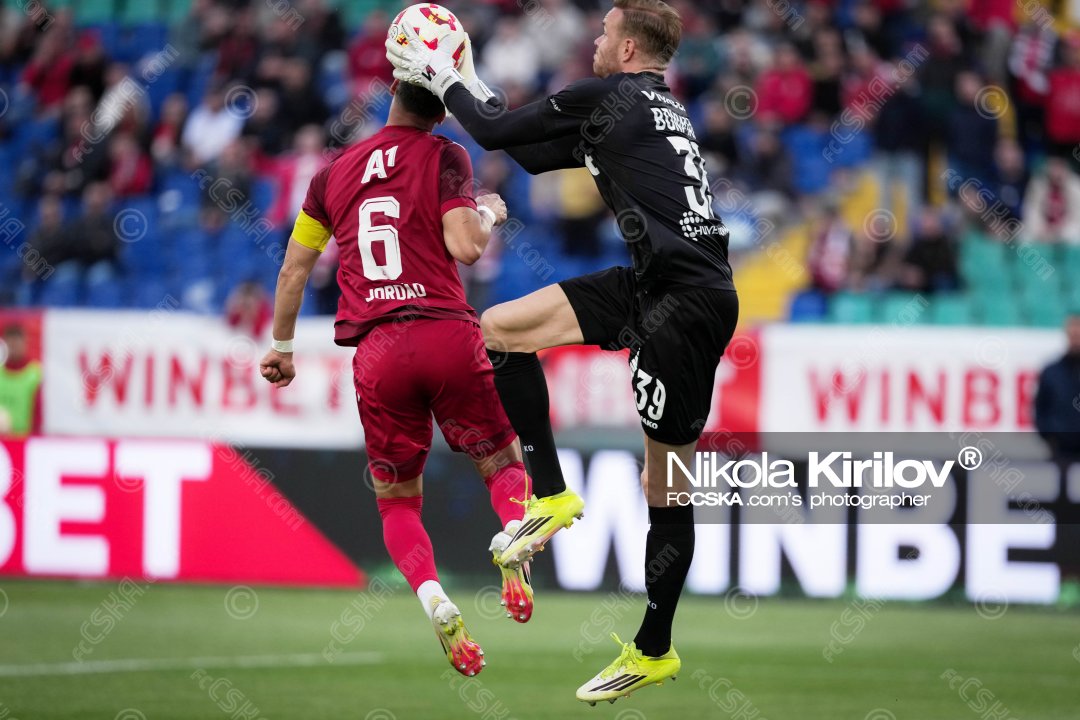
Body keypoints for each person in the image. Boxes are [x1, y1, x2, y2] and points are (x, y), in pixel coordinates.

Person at [387, 0, 739, 703]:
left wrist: (443, 74)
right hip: (654, 285)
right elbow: (525, 148)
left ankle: (654, 648)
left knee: (666, 485)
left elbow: (492, 132)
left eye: (606, 32)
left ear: (630, 48)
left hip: (685, 303)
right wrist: (471, 81)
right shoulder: (652, 106)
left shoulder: (611, 95)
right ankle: (549, 493)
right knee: (499, 328)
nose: (596, 40)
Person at [257, 80, 533, 678]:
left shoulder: (331, 174)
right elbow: (467, 247)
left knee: (398, 502)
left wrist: (282, 347)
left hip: (378, 351)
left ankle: (435, 600)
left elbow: (293, 270)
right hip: (445, 332)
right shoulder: (445, 154)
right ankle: (514, 532)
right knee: (502, 463)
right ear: (444, 106)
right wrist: (489, 210)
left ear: (394, 95)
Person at [1034, 312, 1080, 462]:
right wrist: (1050, 438)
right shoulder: (1052, 372)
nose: (1076, 339)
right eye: (1073, 334)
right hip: (1060, 451)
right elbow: (1040, 408)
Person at [0, 324, 42, 437]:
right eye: (10, 343)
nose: (13, 346)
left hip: (24, 438)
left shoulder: (35, 373)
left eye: (17, 342)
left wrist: (36, 435)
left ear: (25, 343)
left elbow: (39, 409)